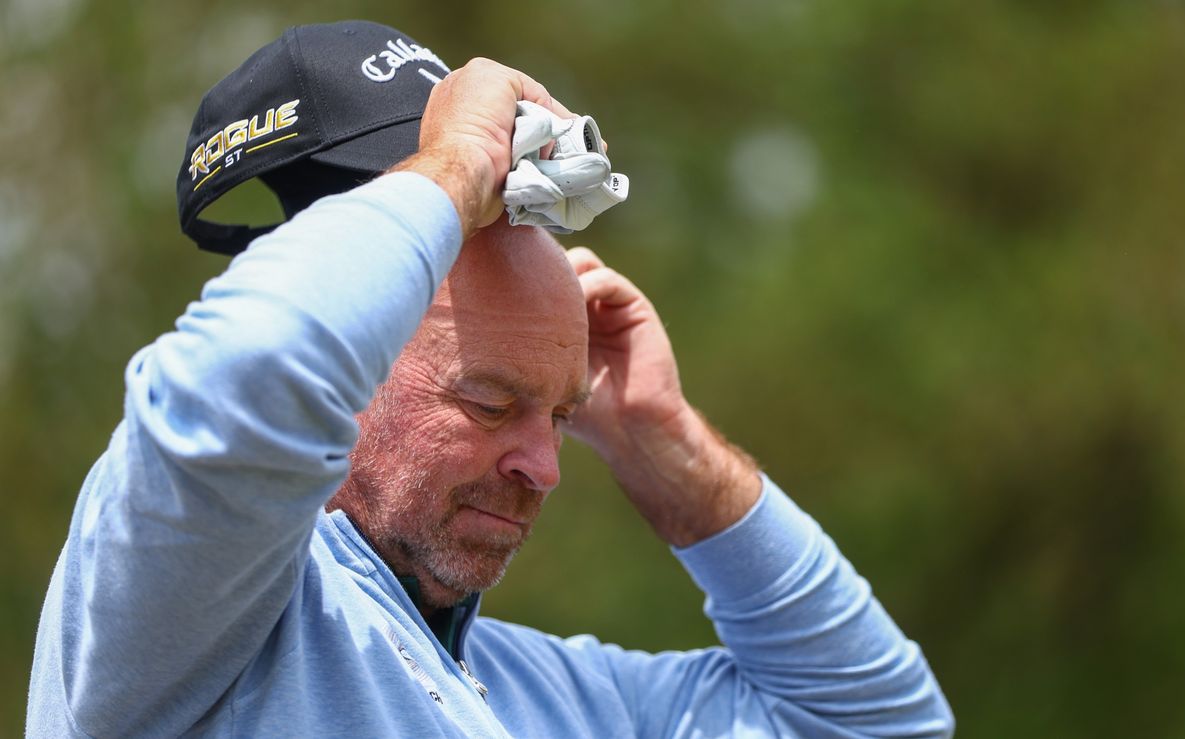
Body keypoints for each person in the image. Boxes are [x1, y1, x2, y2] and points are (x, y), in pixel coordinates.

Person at [27, 21, 954, 738]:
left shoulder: (537, 691)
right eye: (488, 401)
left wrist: (664, 440)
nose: (543, 466)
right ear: (349, 365)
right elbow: (252, 367)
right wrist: (457, 164)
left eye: (559, 412)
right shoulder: (181, 609)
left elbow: (876, 723)